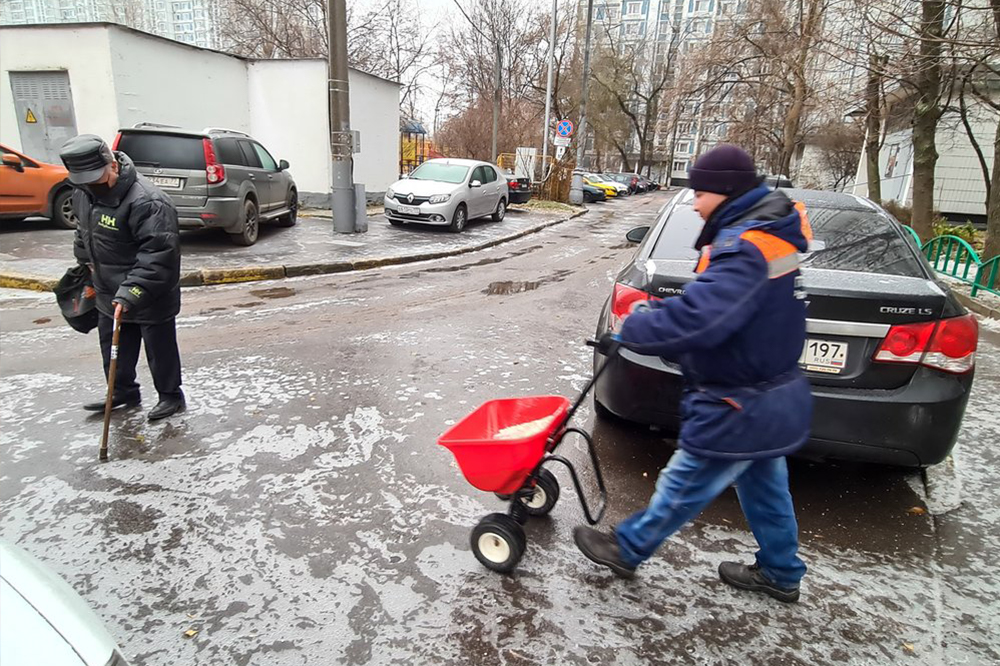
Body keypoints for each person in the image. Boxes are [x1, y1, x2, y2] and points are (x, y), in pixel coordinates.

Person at [575, 144, 812, 603]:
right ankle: (781, 571)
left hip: (737, 399)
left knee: (686, 481)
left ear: (723, 190)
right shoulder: (767, 232)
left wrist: (634, 325)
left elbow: (702, 318)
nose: (695, 201)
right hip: (770, 393)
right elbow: (724, 304)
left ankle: (627, 547)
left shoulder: (745, 245)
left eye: (700, 191)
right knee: (765, 489)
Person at [60, 134, 186, 421]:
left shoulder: (148, 201)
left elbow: (160, 253)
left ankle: (171, 396)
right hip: (106, 288)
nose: (92, 186)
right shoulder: (85, 192)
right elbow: (84, 230)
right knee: (114, 347)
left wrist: (131, 291)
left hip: (149, 293)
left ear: (112, 164)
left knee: (160, 348)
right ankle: (122, 392)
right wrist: (84, 261)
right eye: (85, 181)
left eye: (96, 178)